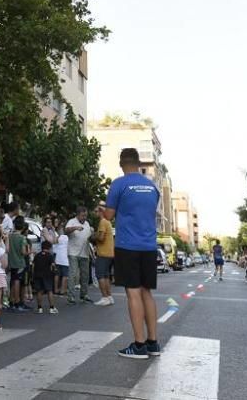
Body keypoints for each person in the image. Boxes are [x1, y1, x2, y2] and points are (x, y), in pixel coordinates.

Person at [104, 148, 161, 359]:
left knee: (133, 293)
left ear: (121, 164)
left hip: (128, 245)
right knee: (147, 292)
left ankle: (138, 345)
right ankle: (153, 342)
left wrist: (102, 210)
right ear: (138, 164)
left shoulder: (119, 184)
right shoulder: (152, 186)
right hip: (149, 245)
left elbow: (109, 215)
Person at [65, 205, 94, 304]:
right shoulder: (72, 221)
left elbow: (90, 237)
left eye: (86, 215)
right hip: (73, 252)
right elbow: (66, 230)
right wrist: (75, 228)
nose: (84, 217)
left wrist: (92, 233)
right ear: (77, 215)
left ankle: (84, 295)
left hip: (84, 253)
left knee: (85, 275)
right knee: (72, 274)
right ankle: (71, 297)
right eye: (82, 215)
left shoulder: (87, 224)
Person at [7, 216, 30, 311]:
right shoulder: (22, 238)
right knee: (17, 281)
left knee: (13, 281)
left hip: (11, 262)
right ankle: (17, 301)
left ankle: (11, 301)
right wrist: (29, 251)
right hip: (20, 263)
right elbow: (23, 252)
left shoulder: (10, 236)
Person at [94, 203, 115, 305]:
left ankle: (104, 297)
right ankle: (109, 296)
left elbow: (101, 238)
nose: (95, 213)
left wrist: (94, 236)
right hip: (110, 253)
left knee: (100, 275)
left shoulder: (102, 222)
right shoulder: (108, 222)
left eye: (96, 211)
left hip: (103, 253)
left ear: (101, 211)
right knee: (106, 276)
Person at [33, 240, 58, 314]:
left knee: (39, 291)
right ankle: (51, 307)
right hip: (47, 275)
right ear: (49, 247)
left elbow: (33, 265)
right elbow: (53, 266)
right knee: (49, 291)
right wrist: (54, 271)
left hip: (37, 274)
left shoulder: (37, 255)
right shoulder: (50, 255)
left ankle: (39, 308)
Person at [54, 224, 70, 296]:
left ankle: (56, 289)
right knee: (65, 276)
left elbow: (54, 248)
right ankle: (63, 290)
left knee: (57, 275)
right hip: (65, 259)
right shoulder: (68, 238)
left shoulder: (57, 238)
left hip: (58, 258)